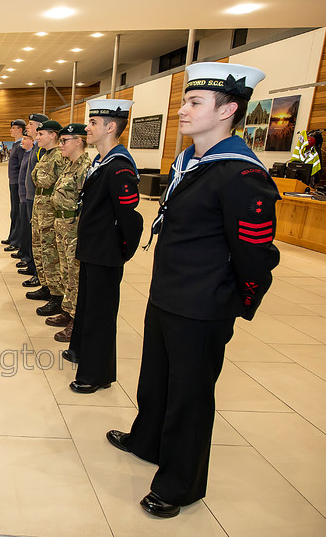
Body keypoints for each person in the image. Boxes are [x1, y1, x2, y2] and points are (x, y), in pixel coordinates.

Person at [107, 63, 279, 519]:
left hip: (203, 304)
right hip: (168, 293)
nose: (181, 110)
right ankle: (148, 440)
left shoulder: (241, 176)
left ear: (229, 110)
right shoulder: (191, 164)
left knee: (190, 396)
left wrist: (239, 298)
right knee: (156, 380)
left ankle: (180, 483)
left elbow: (256, 254)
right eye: (184, 100)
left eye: (194, 103)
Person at [64, 99, 143, 393]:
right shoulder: (101, 161)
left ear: (111, 127)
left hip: (105, 252)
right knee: (87, 306)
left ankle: (97, 374)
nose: (88, 128)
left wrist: (120, 251)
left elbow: (129, 218)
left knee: (100, 314)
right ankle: (82, 352)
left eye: (94, 123)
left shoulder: (119, 168)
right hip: (92, 248)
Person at [44, 123, 92, 342]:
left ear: (79, 141)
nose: (61, 144)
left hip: (74, 228)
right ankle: (67, 309)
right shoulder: (68, 165)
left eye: (65, 141)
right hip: (62, 226)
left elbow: (86, 203)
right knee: (65, 271)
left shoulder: (85, 167)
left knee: (74, 274)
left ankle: (76, 319)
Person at [28, 121, 64, 307]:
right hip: (40, 207)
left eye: (41, 134)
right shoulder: (46, 155)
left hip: (50, 209)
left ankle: (57, 295)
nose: (38, 137)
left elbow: (46, 181)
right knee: (39, 248)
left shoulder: (59, 156)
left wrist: (39, 179)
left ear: (53, 135)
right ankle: (46, 285)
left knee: (50, 251)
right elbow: (36, 179)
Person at [17, 114, 48, 282]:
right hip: (29, 196)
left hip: (36, 198)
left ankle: (37, 271)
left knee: (37, 236)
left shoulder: (42, 150)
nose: (27, 127)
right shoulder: (36, 148)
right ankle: (32, 265)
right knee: (31, 234)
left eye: (30, 124)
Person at [3, 120, 26, 249]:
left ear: (20, 130)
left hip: (18, 183)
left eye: (13, 128)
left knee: (17, 212)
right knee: (14, 211)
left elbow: (22, 166)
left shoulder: (21, 145)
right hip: (14, 182)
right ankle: (12, 236)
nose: (11, 130)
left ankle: (16, 241)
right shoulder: (16, 144)